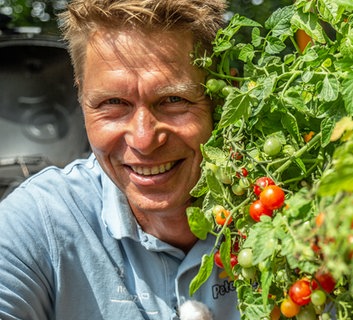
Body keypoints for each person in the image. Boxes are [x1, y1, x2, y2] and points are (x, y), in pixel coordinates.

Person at [0, 1, 241, 319]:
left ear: (226, 94)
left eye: (173, 100)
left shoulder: (287, 209)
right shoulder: (38, 223)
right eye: (113, 102)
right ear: (81, 100)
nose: (143, 140)